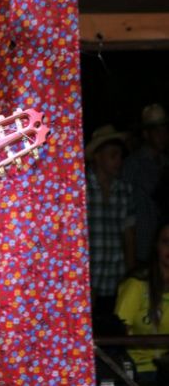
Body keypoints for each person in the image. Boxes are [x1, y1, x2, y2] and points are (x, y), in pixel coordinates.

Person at [85, 124, 136, 317]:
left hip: (116, 279)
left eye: (120, 156)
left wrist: (130, 280)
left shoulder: (124, 190)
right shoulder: (81, 188)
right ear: (97, 157)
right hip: (87, 280)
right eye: (113, 155)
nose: (119, 161)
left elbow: (129, 236)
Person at [116, 218, 169, 385]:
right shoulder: (137, 285)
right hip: (140, 370)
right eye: (166, 242)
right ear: (156, 246)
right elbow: (118, 333)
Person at [123, 103, 169, 265]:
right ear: (146, 134)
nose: (163, 136)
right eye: (157, 131)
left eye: (165, 130)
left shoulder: (166, 163)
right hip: (142, 248)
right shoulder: (132, 165)